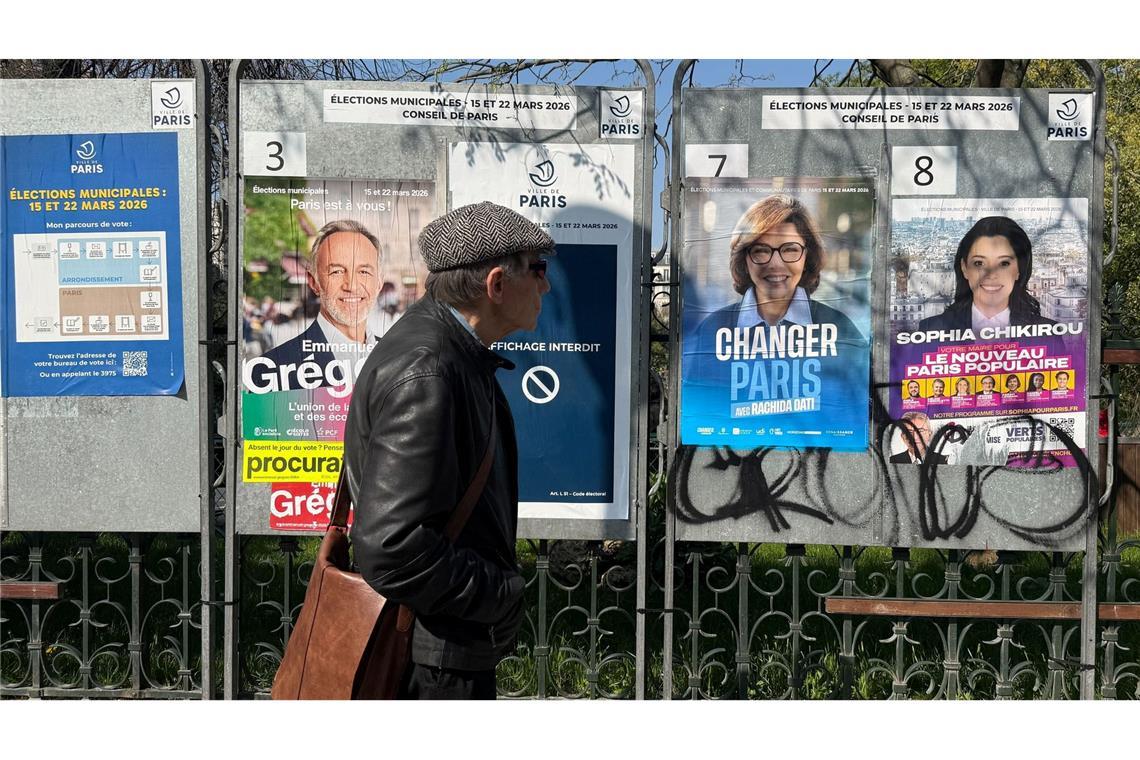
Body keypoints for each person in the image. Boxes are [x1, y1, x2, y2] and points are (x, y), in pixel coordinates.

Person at [343, 201, 554, 700]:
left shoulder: (450, 353)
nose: (546, 285)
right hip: (432, 662)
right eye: (538, 270)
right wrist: (499, 596)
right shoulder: (430, 369)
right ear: (496, 285)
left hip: (439, 645)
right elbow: (391, 547)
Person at [686, 194, 866, 384]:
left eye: (790, 249)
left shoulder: (840, 329)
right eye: (761, 250)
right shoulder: (713, 330)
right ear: (744, 259)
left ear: (807, 257)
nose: (775, 264)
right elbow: (700, 406)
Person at [245, 220, 381, 392]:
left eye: (364, 272)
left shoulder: (406, 360)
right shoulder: (271, 371)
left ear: (379, 283)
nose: (352, 285)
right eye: (337, 271)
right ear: (314, 282)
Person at [918, 216, 1056, 333]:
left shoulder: (1048, 333)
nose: (991, 274)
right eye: (979, 263)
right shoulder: (931, 331)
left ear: (1019, 270)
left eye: (1004, 263)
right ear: (964, 268)